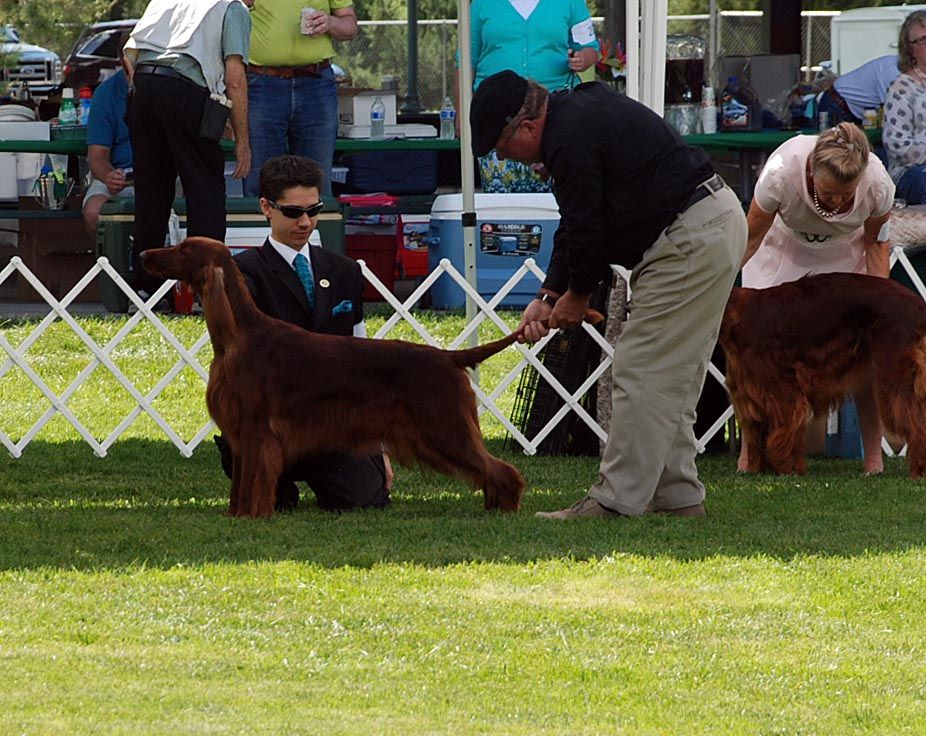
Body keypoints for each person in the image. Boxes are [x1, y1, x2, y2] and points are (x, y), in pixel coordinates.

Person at [470, 70, 747, 519]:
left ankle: (615, 501)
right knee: (671, 374)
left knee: (641, 367)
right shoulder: (575, 119)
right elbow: (576, 220)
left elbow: (587, 227)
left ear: (526, 127)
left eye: (503, 148)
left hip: (689, 235)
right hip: (705, 225)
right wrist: (549, 295)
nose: (508, 159)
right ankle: (677, 496)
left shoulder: (568, 139)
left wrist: (578, 296)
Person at [215, 154, 392, 512]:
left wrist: (376, 442)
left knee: (366, 498)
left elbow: (362, 361)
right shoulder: (242, 274)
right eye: (293, 212)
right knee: (270, 496)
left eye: (314, 211)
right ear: (266, 207)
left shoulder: (344, 271)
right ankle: (269, 477)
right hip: (269, 423)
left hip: (333, 423)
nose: (306, 222)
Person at [740, 122, 894, 474]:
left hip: (845, 260)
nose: (837, 202)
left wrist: (878, 308)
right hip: (782, 252)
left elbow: (875, 244)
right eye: (829, 193)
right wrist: (720, 287)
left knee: (865, 359)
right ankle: (749, 456)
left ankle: (874, 459)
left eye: (846, 194)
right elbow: (750, 238)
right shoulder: (780, 172)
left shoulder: (878, 184)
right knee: (756, 360)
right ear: (811, 171)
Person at [122, 0, 252, 296]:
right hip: (184, 87)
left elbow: (129, 54)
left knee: (151, 191)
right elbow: (235, 78)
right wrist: (243, 141)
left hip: (143, 86)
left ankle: (145, 289)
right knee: (205, 189)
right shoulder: (233, 8)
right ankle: (207, 287)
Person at [469, 0, 598, 193]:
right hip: (496, 120)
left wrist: (582, 59)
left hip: (553, 116)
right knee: (500, 202)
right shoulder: (481, 4)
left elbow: (590, 48)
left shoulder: (571, 2)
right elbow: (466, 59)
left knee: (562, 193)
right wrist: (461, 112)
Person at [243, 0, 358, 197]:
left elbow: (350, 26)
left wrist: (330, 22)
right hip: (261, 82)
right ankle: (262, 218)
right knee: (261, 178)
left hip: (316, 82)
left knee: (316, 177)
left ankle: (314, 217)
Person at [82, 68, 133, 238]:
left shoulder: (171, 87)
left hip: (167, 178)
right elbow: (97, 156)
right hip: (123, 177)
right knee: (94, 211)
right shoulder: (106, 92)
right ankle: (110, 255)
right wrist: (109, 176)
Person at [884, 10, 926, 205]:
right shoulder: (901, 88)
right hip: (911, 172)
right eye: (922, 39)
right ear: (910, 50)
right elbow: (898, 145)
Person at [818, 54, 899, 126]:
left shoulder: (893, 64)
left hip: (851, 109)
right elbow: (892, 109)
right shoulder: (893, 69)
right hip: (837, 105)